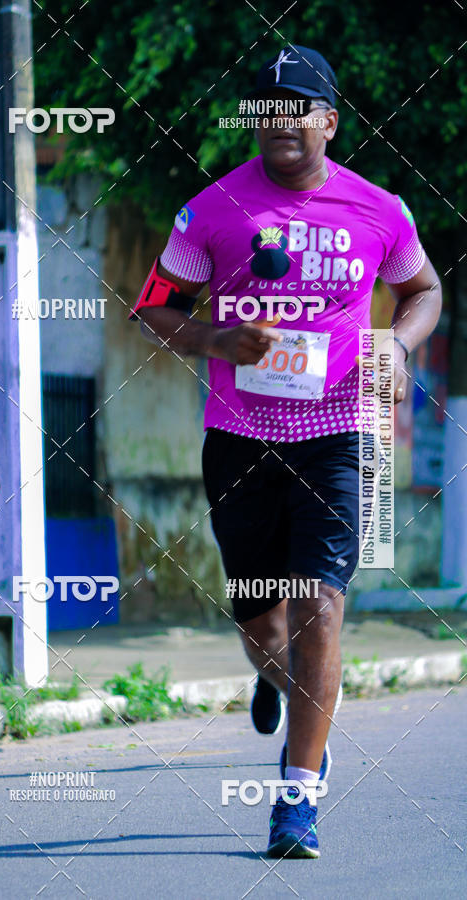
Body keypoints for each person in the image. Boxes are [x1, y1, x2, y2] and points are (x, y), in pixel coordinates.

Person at [130, 44, 442, 858]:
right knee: (264, 627)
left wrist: (400, 346)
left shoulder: (380, 210)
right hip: (239, 442)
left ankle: (297, 796)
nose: (279, 122)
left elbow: (423, 290)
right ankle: (299, 701)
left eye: (296, 107)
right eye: (265, 109)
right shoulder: (213, 211)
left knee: (321, 606)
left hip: (336, 434)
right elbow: (153, 307)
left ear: (328, 121)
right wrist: (216, 338)